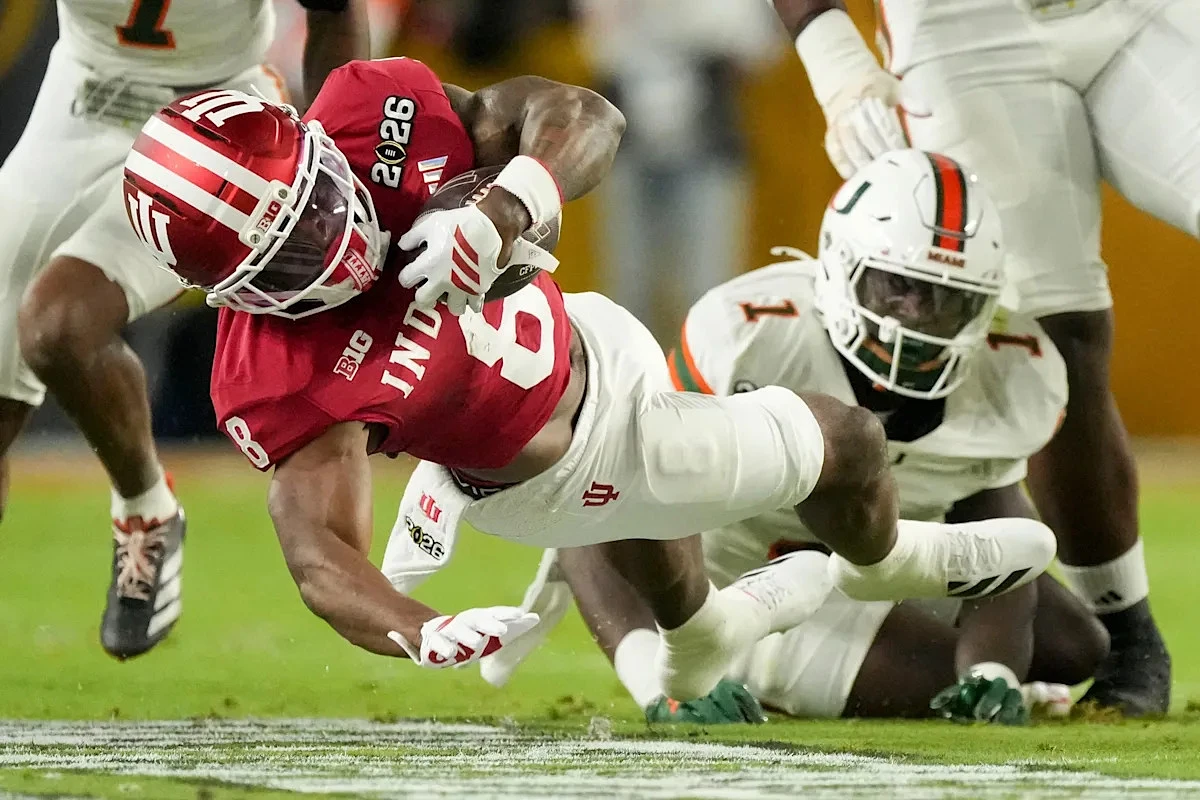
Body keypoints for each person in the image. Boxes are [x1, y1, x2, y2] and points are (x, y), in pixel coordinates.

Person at [121, 60, 1054, 701]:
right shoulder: (272, 377)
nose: (336, 246)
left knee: (682, 584)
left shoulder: (374, 112)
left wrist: (506, 204)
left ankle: (690, 644)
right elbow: (318, 555)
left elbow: (587, 115)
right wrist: (418, 627)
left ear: (313, 141)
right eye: (290, 258)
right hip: (571, 468)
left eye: (320, 204)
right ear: (226, 294)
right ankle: (893, 560)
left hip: (591, 334)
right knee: (846, 441)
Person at [481, 150, 1109, 724]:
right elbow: (616, 489)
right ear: (839, 263)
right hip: (732, 575)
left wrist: (992, 670)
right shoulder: (754, 334)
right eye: (900, 287)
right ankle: (725, 662)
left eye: (948, 299)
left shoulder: (1009, 372)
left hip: (873, 561)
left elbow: (995, 531)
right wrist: (661, 675)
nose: (918, 321)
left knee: (1073, 645)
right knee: (604, 486)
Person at [767, 0, 1180, 715]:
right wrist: (831, 51)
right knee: (1050, 334)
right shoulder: (751, 325)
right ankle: (1128, 635)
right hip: (965, 25)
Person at [0, 0, 367, 660]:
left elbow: (335, 11)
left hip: (221, 119)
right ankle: (149, 511)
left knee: (59, 325)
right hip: (79, 93)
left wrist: (343, 159)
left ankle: (145, 509)